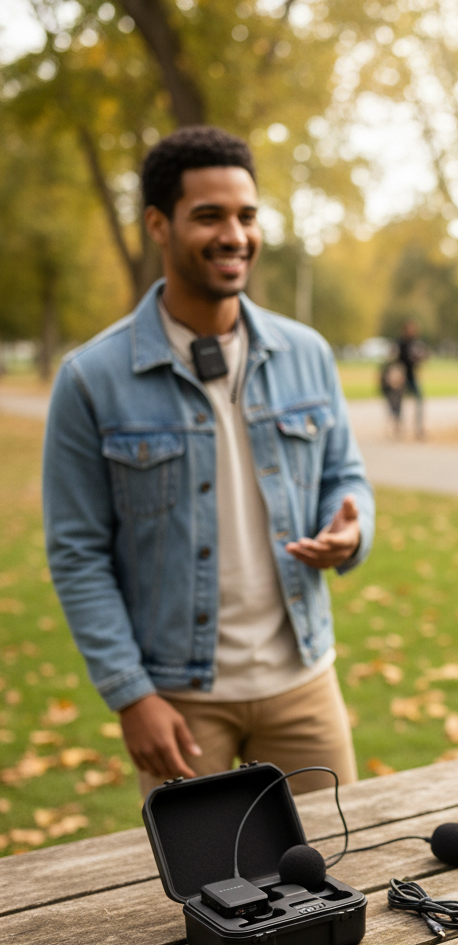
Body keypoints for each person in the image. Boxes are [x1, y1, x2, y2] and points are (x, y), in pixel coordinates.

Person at [43, 126, 375, 797]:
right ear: (158, 226)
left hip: (304, 682)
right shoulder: (90, 379)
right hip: (180, 702)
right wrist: (131, 695)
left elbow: (346, 475)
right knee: (205, 897)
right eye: (209, 216)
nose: (234, 235)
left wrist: (354, 529)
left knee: (332, 875)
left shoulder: (307, 352)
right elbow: (78, 553)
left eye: (246, 216)